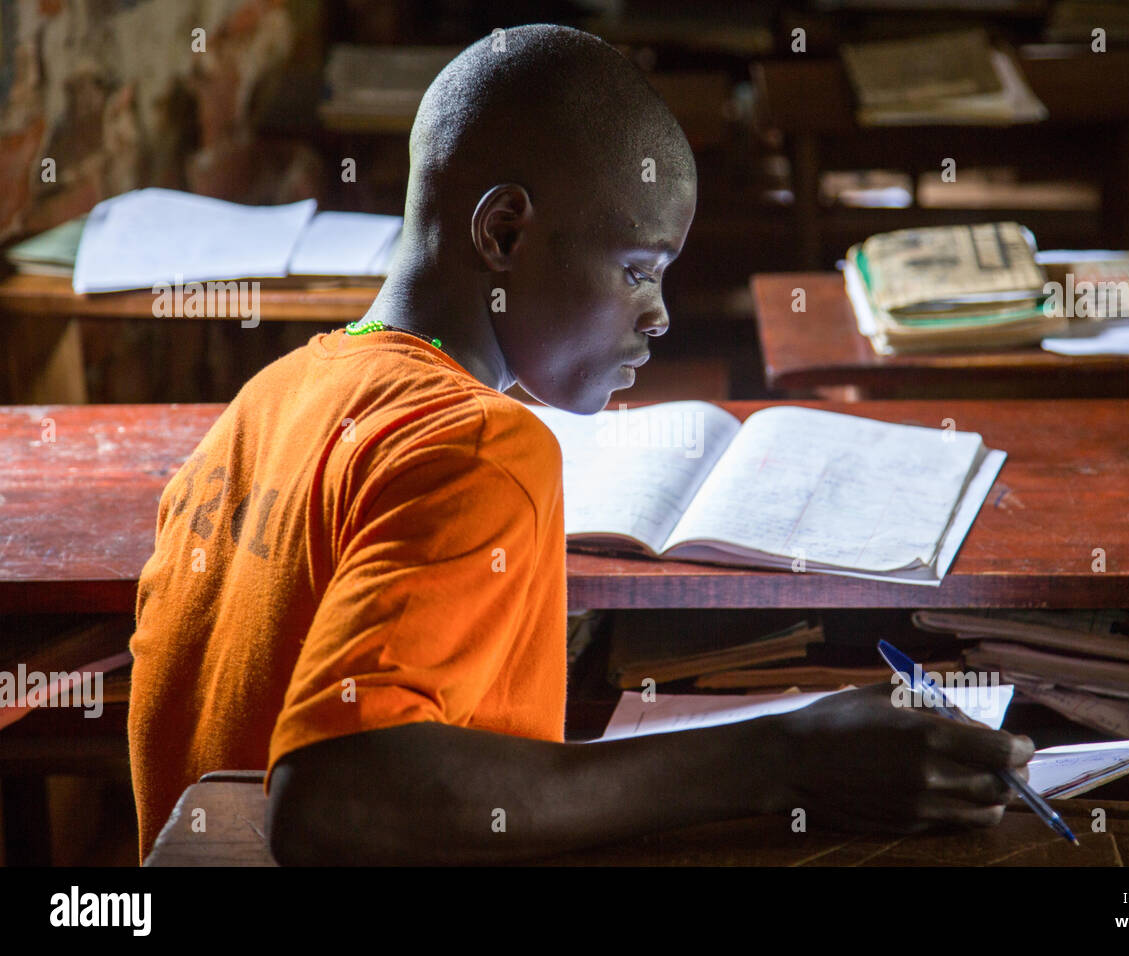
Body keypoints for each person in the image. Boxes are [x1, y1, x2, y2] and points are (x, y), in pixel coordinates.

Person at [128, 23, 1033, 865]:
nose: (661, 314)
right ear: (504, 232)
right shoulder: (480, 447)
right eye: (638, 269)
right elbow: (332, 802)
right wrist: (786, 757)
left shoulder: (264, 402)